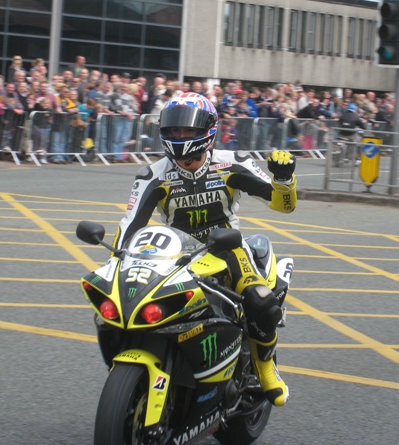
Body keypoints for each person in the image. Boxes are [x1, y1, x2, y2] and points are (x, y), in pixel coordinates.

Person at [112, 92, 296, 407]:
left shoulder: (233, 164)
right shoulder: (152, 175)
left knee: (261, 302)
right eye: (174, 130)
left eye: (188, 130)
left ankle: (265, 368)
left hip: (228, 251)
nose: (180, 136)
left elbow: (284, 206)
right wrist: (118, 262)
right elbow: (129, 226)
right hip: (174, 256)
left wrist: (284, 179)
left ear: (208, 130)